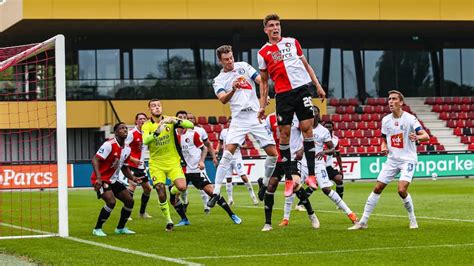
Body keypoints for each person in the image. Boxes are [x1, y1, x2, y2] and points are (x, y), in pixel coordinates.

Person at [257, 13, 326, 197]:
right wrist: (262, 105)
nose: (275, 27)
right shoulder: (263, 52)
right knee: (285, 134)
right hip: (283, 95)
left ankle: (311, 175)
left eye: (277, 24)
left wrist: (317, 86)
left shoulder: (292, 42)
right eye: (271, 25)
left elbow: (306, 65)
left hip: (302, 90)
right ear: (266, 29)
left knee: (307, 128)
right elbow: (264, 82)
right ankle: (288, 178)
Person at [207, 45, 278, 208]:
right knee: (227, 154)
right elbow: (223, 99)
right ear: (220, 61)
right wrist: (233, 89)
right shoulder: (218, 80)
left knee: (273, 154)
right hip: (238, 119)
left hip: (255, 115)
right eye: (226, 59)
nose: (230, 61)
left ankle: (264, 182)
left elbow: (261, 80)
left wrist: (264, 97)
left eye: (231, 57)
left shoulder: (244, 66)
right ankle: (216, 193)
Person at [349, 90, 429, 230]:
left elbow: (425, 136)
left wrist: (417, 137)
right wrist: (384, 146)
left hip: (407, 160)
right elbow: (383, 139)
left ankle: (412, 218)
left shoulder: (410, 119)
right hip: (392, 160)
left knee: (401, 189)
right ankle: (363, 222)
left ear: (401, 102)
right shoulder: (386, 120)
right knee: (377, 187)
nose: (390, 101)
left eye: (393, 99)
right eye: (389, 99)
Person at [176, 111, 242, 224]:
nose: (182, 119)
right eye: (180, 118)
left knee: (212, 193)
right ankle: (184, 219)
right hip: (181, 171)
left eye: (184, 117)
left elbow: (205, 148)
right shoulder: (173, 136)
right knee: (174, 197)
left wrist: (202, 161)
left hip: (196, 170)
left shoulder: (193, 134)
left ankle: (232, 215)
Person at [298, 106, 358, 224]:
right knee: (294, 186)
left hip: (319, 164)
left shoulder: (323, 131)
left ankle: (350, 213)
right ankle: (286, 218)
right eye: (312, 112)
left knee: (326, 189)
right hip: (304, 164)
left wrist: (324, 151)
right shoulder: (302, 127)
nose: (313, 114)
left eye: (316, 112)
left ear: (318, 115)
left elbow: (332, 149)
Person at [142, 99, 194, 232]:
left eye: (159, 105)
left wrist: (177, 121)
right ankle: (169, 221)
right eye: (153, 106)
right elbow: (146, 140)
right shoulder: (147, 125)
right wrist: (158, 131)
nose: (157, 108)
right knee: (160, 190)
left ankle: (172, 190)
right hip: (156, 164)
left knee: (182, 187)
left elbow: (190, 125)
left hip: (172, 162)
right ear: (149, 109)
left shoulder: (170, 120)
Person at [262, 109, 318, 231]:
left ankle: (311, 215)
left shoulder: (297, 116)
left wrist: (302, 149)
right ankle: (267, 223)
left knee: (295, 184)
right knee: (271, 187)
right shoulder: (270, 118)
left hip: (293, 157)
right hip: (278, 158)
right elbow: (264, 135)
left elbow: (307, 134)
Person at [91, 122, 140, 236]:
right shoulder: (109, 144)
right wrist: (98, 178)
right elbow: (95, 160)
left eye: (126, 128)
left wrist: (133, 178)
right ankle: (97, 229)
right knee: (111, 202)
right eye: (122, 128)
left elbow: (124, 167)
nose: (125, 130)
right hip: (101, 179)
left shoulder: (127, 148)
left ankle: (120, 228)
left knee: (129, 201)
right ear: (116, 132)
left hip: (113, 179)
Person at [217, 117, 258, 206]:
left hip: (236, 158)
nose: (230, 123)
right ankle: (230, 199)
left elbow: (245, 145)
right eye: (229, 122)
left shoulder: (239, 133)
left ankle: (253, 196)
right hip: (227, 158)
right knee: (228, 179)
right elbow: (220, 143)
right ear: (227, 123)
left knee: (243, 176)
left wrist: (239, 145)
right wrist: (217, 150)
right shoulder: (223, 132)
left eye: (232, 122)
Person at [180, 112, 212, 213]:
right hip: (185, 165)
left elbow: (207, 145)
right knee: (182, 188)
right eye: (187, 119)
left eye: (191, 118)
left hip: (198, 163)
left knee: (203, 187)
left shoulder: (200, 131)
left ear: (195, 120)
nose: (190, 120)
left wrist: (213, 156)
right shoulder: (179, 133)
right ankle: (185, 202)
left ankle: (206, 206)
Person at [124, 112, 153, 219]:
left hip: (141, 166)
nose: (142, 120)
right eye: (140, 119)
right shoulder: (132, 133)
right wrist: (132, 159)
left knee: (148, 189)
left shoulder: (147, 134)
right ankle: (127, 214)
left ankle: (142, 213)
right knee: (132, 186)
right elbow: (124, 147)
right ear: (136, 121)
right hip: (131, 165)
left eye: (144, 119)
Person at [324, 120, 345, 199]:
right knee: (314, 185)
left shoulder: (336, 140)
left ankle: (340, 202)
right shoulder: (320, 137)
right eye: (326, 127)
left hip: (328, 166)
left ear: (333, 128)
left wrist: (341, 169)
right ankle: (300, 204)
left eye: (329, 127)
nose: (328, 128)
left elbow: (338, 155)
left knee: (339, 179)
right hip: (318, 165)